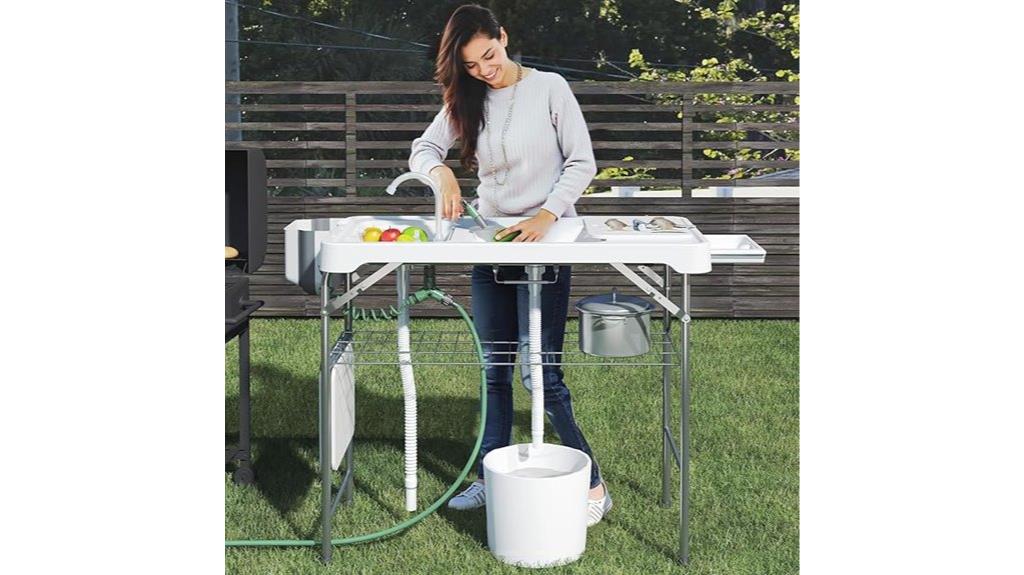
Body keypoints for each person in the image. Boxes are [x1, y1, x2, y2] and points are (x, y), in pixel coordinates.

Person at [408, 4, 610, 527]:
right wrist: (443, 175)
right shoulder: (467, 98)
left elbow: (582, 161)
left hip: (545, 242)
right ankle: (485, 474)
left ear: (503, 37)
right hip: (492, 242)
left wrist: (546, 215)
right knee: (493, 368)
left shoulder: (550, 88)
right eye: (472, 65)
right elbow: (424, 148)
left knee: (541, 372)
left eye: (489, 56)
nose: (484, 70)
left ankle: (592, 482)